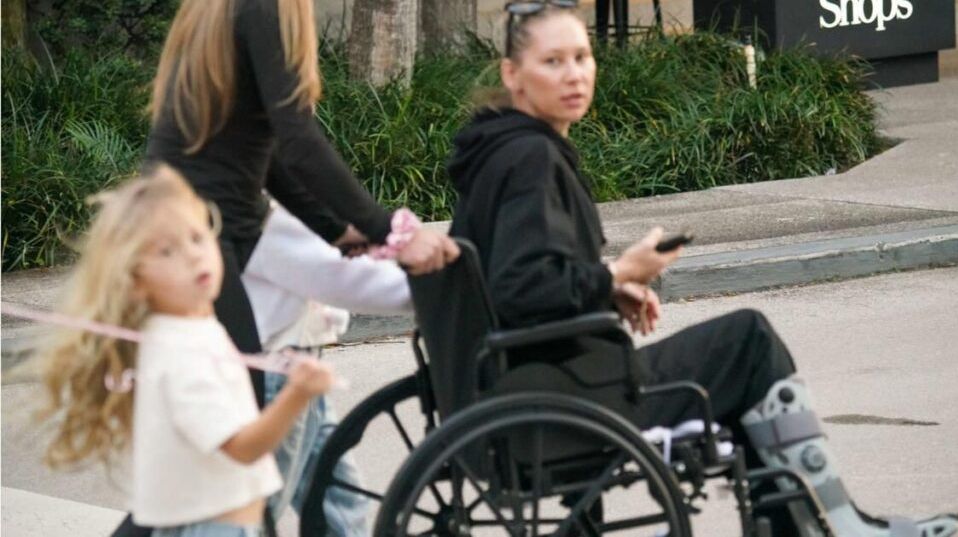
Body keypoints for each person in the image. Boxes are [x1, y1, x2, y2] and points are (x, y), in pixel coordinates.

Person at [445, 2, 957, 536]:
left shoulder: (501, 150)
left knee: (738, 355)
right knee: (747, 342)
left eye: (581, 56)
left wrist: (608, 290)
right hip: (567, 396)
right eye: (553, 61)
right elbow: (522, 287)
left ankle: (798, 522)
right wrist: (618, 272)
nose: (573, 74)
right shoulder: (530, 159)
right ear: (512, 74)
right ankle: (836, 524)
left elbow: (519, 278)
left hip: (530, 383)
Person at [136, 1, 457, 534]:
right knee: (234, 479)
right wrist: (389, 232)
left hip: (191, 227)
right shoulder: (266, 6)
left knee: (245, 469)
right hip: (199, 240)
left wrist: (337, 228)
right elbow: (297, 138)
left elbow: (271, 154)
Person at [39, 167, 335, 537]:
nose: (194, 256)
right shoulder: (183, 352)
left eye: (197, 237)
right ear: (134, 282)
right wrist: (297, 394)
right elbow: (242, 448)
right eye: (168, 251)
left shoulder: (190, 328)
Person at [242, 203, 413, 535]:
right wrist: (429, 288)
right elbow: (335, 276)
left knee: (340, 501)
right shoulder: (267, 205)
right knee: (257, 511)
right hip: (278, 364)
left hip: (297, 359)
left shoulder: (272, 200)